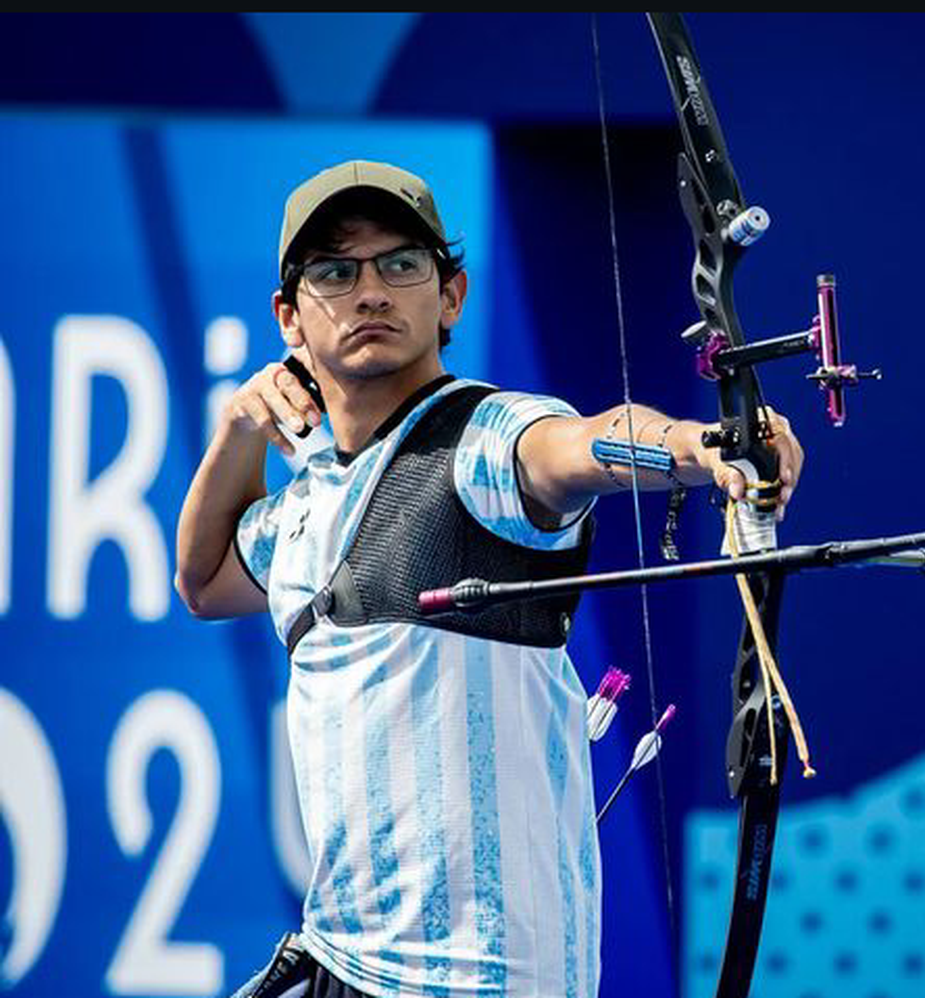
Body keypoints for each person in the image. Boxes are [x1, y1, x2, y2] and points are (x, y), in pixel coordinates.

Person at [174, 160, 803, 998]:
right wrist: (239, 426)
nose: (370, 292)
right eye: (335, 271)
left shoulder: (483, 438)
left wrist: (705, 447)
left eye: (402, 264)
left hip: (479, 979)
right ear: (290, 319)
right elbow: (205, 578)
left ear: (452, 296)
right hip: (340, 958)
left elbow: (583, 443)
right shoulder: (306, 500)